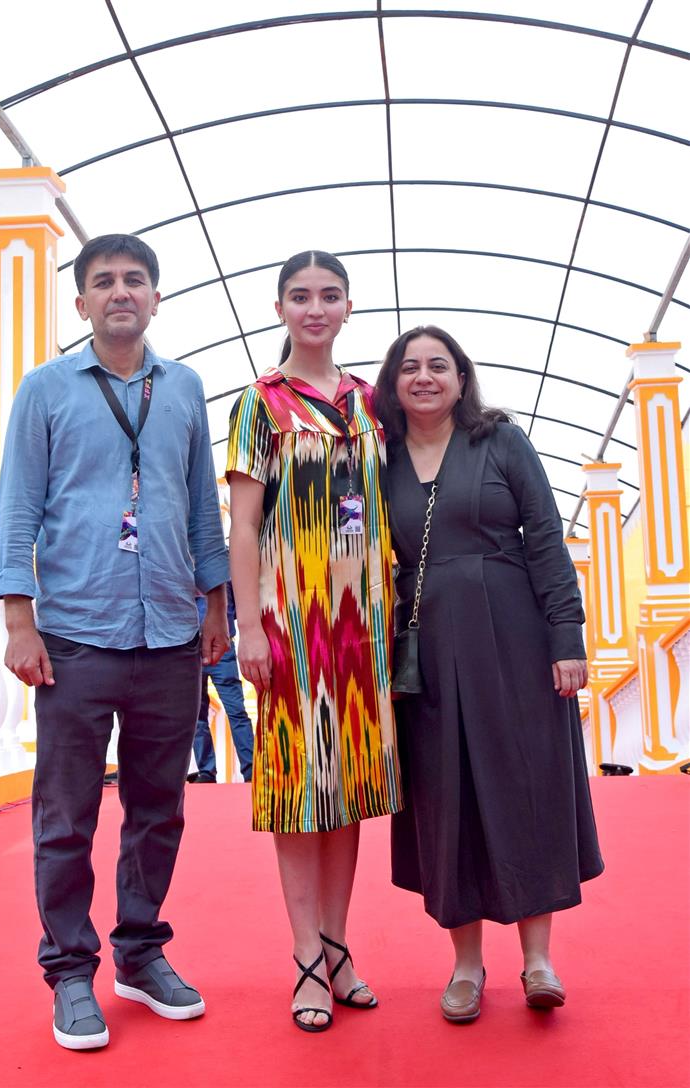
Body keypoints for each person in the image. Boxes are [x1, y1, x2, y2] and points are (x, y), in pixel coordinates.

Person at [0, 234, 229, 1050]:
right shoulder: (46, 390)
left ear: (156, 298)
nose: (120, 292)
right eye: (104, 282)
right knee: (66, 816)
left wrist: (216, 606)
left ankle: (139, 953)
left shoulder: (187, 388)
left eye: (135, 280)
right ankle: (68, 970)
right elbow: (18, 505)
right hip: (76, 636)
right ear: (83, 303)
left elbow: (203, 506)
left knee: (159, 809)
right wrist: (20, 620)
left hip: (169, 632)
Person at [374, 325, 604, 1023]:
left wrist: (567, 637)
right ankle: (466, 967)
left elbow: (545, 537)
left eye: (437, 365)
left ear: (461, 376)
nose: (423, 377)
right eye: (409, 367)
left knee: (525, 785)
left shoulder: (501, 440)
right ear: (392, 382)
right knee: (446, 800)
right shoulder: (377, 460)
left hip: (515, 639)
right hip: (427, 655)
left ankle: (538, 961)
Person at [227, 251, 401, 1032]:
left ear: (349, 307)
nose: (315, 309)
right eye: (300, 296)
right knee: (301, 790)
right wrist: (248, 624)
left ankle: (339, 947)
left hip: (364, 623)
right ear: (279, 308)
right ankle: (304, 956)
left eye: (329, 296)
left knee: (350, 790)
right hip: (290, 621)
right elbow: (244, 524)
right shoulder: (260, 403)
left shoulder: (372, 403)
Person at [188, 583, 254, 783]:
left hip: (220, 647)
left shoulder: (223, 565)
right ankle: (207, 771)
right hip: (191, 649)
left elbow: (237, 607)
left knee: (236, 711)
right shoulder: (183, 562)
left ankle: (251, 768)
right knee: (196, 717)